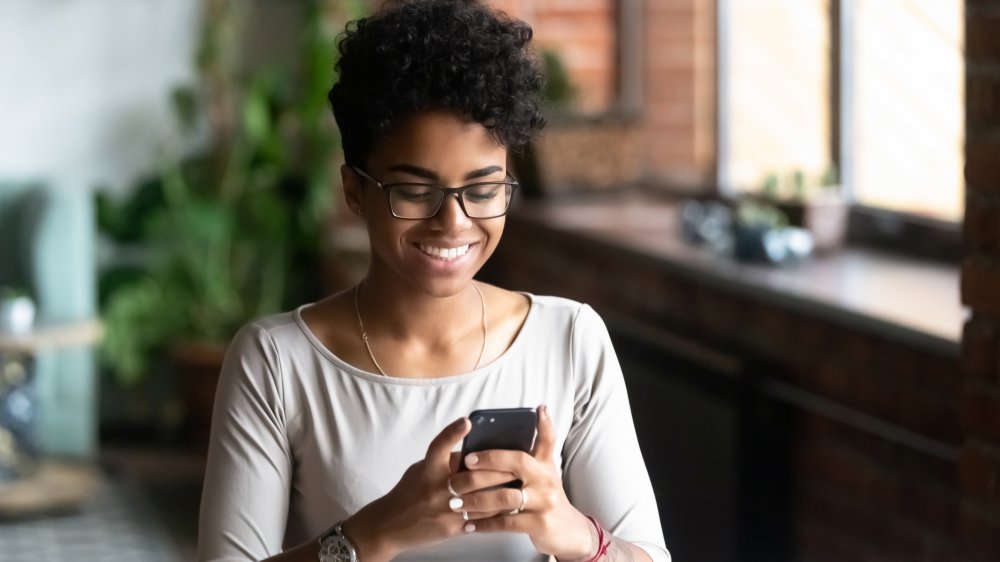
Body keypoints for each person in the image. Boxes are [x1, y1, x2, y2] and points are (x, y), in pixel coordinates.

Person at [197, 1, 669, 561]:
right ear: (354, 190)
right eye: (414, 190)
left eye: (484, 188)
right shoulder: (276, 362)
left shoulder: (570, 340)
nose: (454, 221)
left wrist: (571, 532)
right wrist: (376, 532)